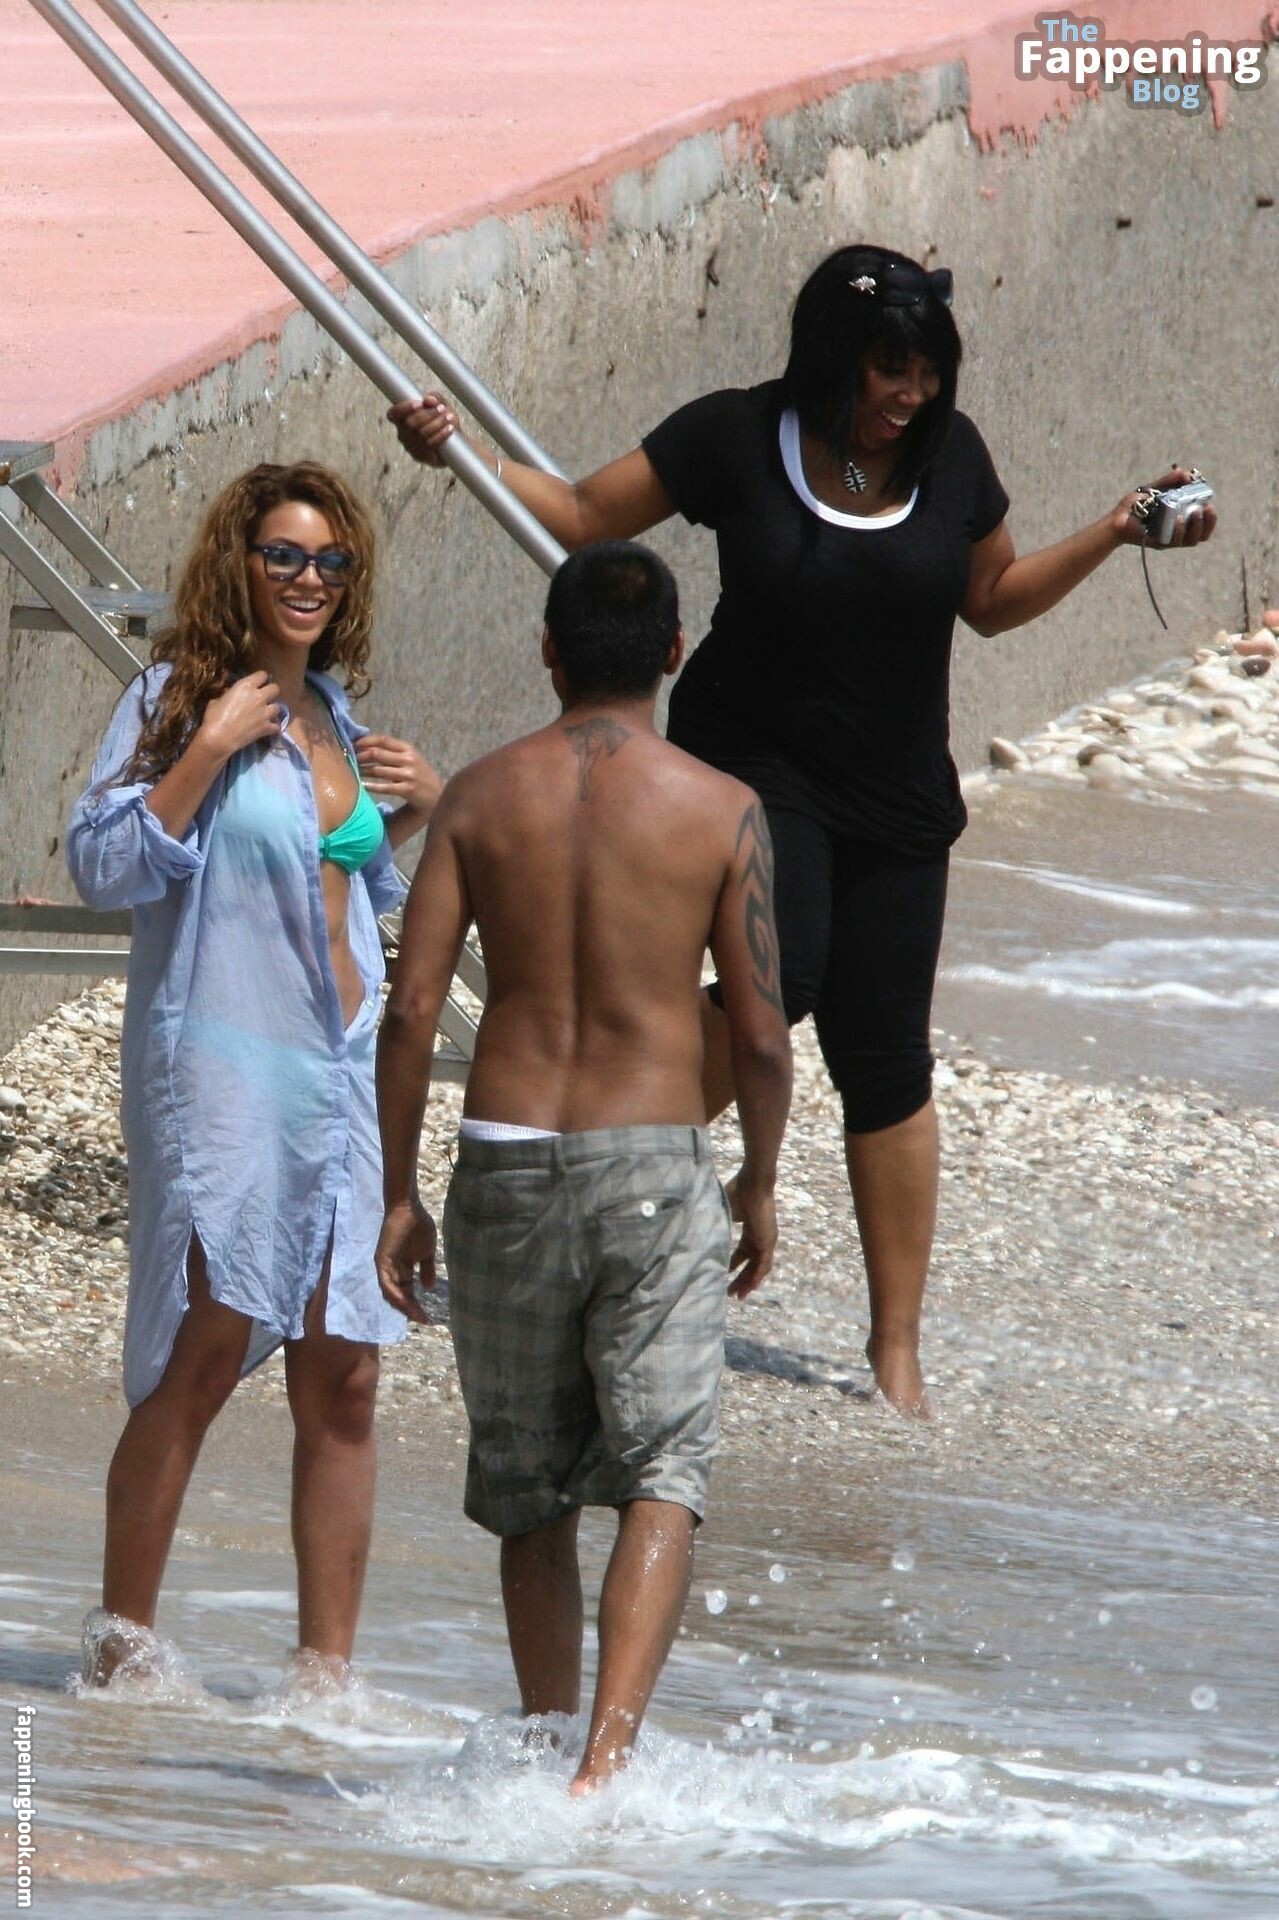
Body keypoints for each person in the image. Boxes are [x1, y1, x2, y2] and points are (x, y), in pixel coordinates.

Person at [388, 242, 1217, 1417]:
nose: (908, 397)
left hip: (896, 788)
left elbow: (989, 603)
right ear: (833, 355)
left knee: (886, 1054)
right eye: (888, 371)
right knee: (792, 972)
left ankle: (895, 1355)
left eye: (925, 375)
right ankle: (592, 1165)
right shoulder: (739, 433)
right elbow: (580, 514)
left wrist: (1116, 529)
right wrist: (454, 451)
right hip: (752, 766)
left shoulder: (951, 455)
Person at [375, 540, 792, 1794]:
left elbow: (409, 1012)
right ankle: (602, 1770)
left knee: (529, 1482)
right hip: (651, 1162)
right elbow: (761, 1036)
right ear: (674, 653)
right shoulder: (718, 809)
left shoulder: (477, 798)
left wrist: (397, 1193)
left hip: (502, 1159)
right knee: (662, 1472)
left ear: (548, 651)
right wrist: (757, 1179)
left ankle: (547, 1742)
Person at [67, 461, 441, 1685]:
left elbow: (346, 893)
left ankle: (323, 1682)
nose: (308, 579)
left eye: (331, 560)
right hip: (225, 1065)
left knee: (347, 1376)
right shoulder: (176, 697)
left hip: (341, 1077)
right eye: (283, 554)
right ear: (239, 562)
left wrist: (413, 815)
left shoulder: (332, 712)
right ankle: (120, 1656)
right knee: (207, 1349)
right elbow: (101, 865)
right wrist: (209, 748)